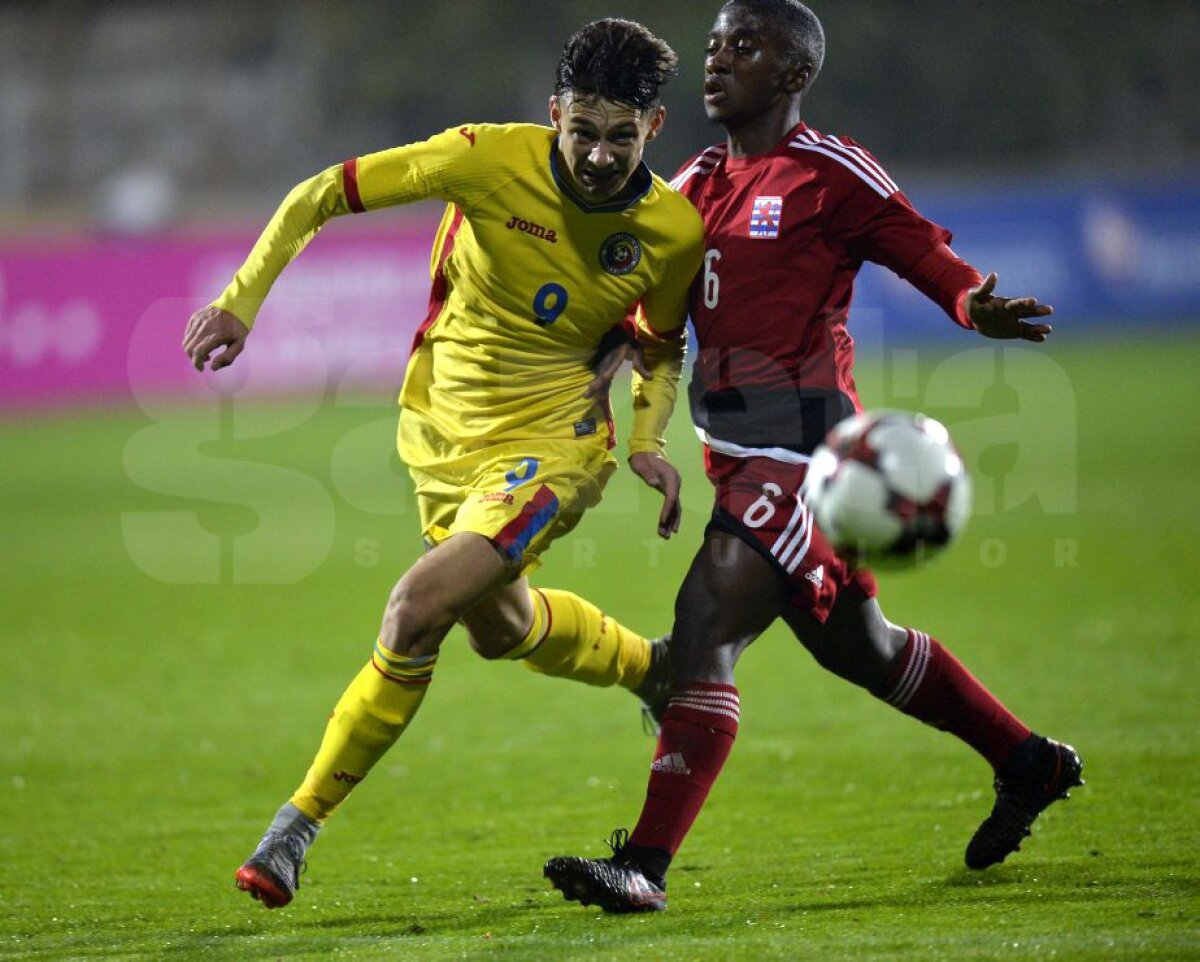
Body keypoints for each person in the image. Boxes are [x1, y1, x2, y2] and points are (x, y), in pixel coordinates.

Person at [543, 0, 1082, 914]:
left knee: (706, 624)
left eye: (743, 47)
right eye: (713, 45)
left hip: (807, 458)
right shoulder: (698, 177)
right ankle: (1027, 760)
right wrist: (613, 353)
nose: (717, 61)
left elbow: (920, 249)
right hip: (734, 454)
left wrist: (969, 303)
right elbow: (658, 299)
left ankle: (644, 866)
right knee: (859, 651)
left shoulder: (828, 173)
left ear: (794, 74)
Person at [182, 18, 704, 909]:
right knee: (499, 629)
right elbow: (320, 194)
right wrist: (240, 302)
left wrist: (649, 443)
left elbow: (659, 346)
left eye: (622, 136)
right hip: (439, 436)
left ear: (653, 130)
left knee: (416, 608)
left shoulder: (671, 232)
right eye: (583, 131)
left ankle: (293, 829)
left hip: (554, 453)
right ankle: (651, 668)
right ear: (555, 116)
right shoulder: (482, 159)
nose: (600, 154)